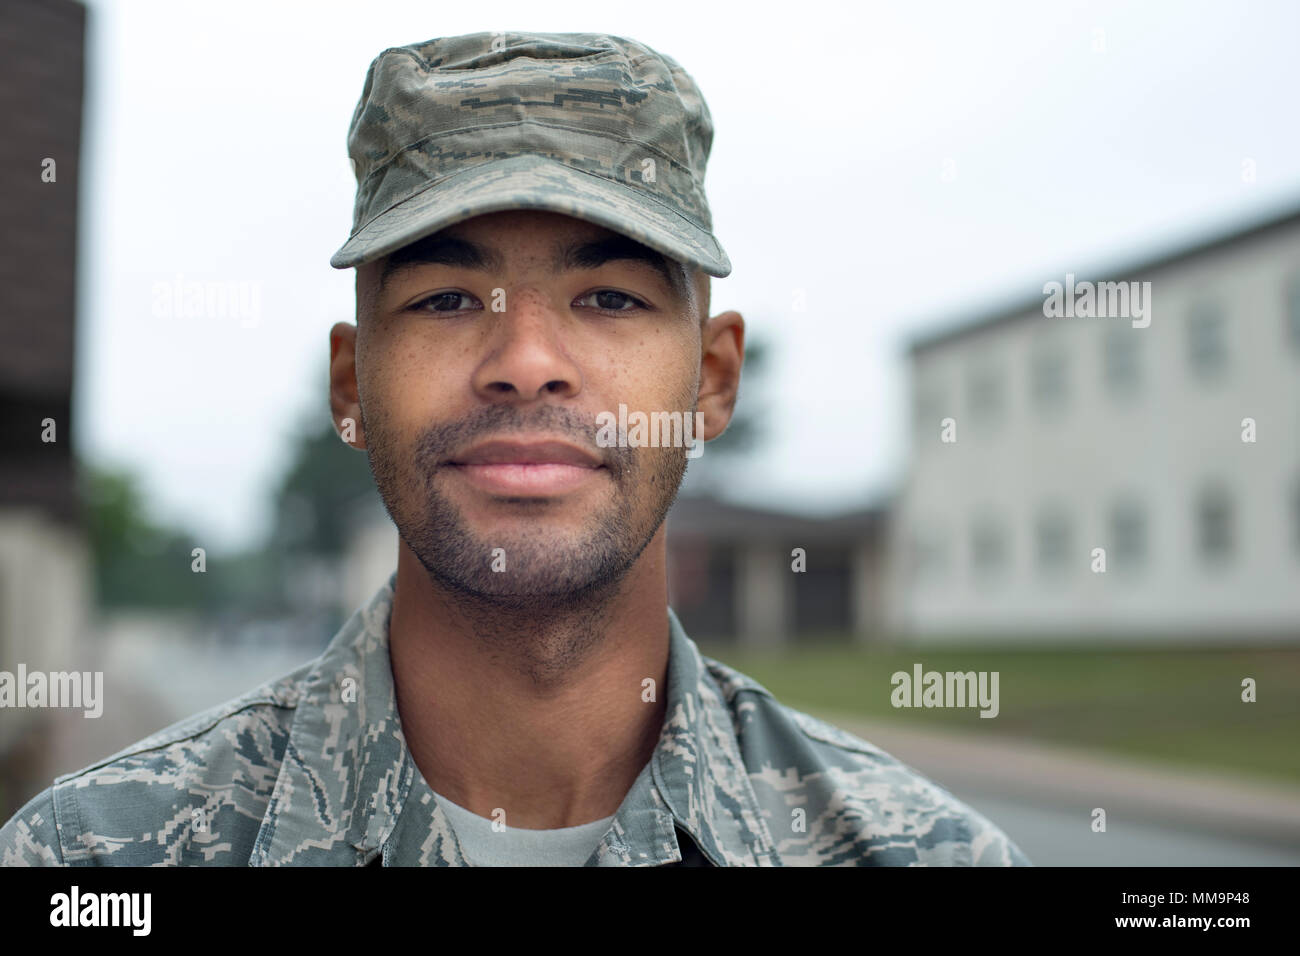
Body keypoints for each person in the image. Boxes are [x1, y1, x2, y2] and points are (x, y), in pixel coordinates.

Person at [0, 31, 1029, 866]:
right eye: (447, 298)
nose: (525, 361)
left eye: (609, 297)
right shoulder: (92, 859)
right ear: (350, 384)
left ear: (713, 379)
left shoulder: (926, 854)